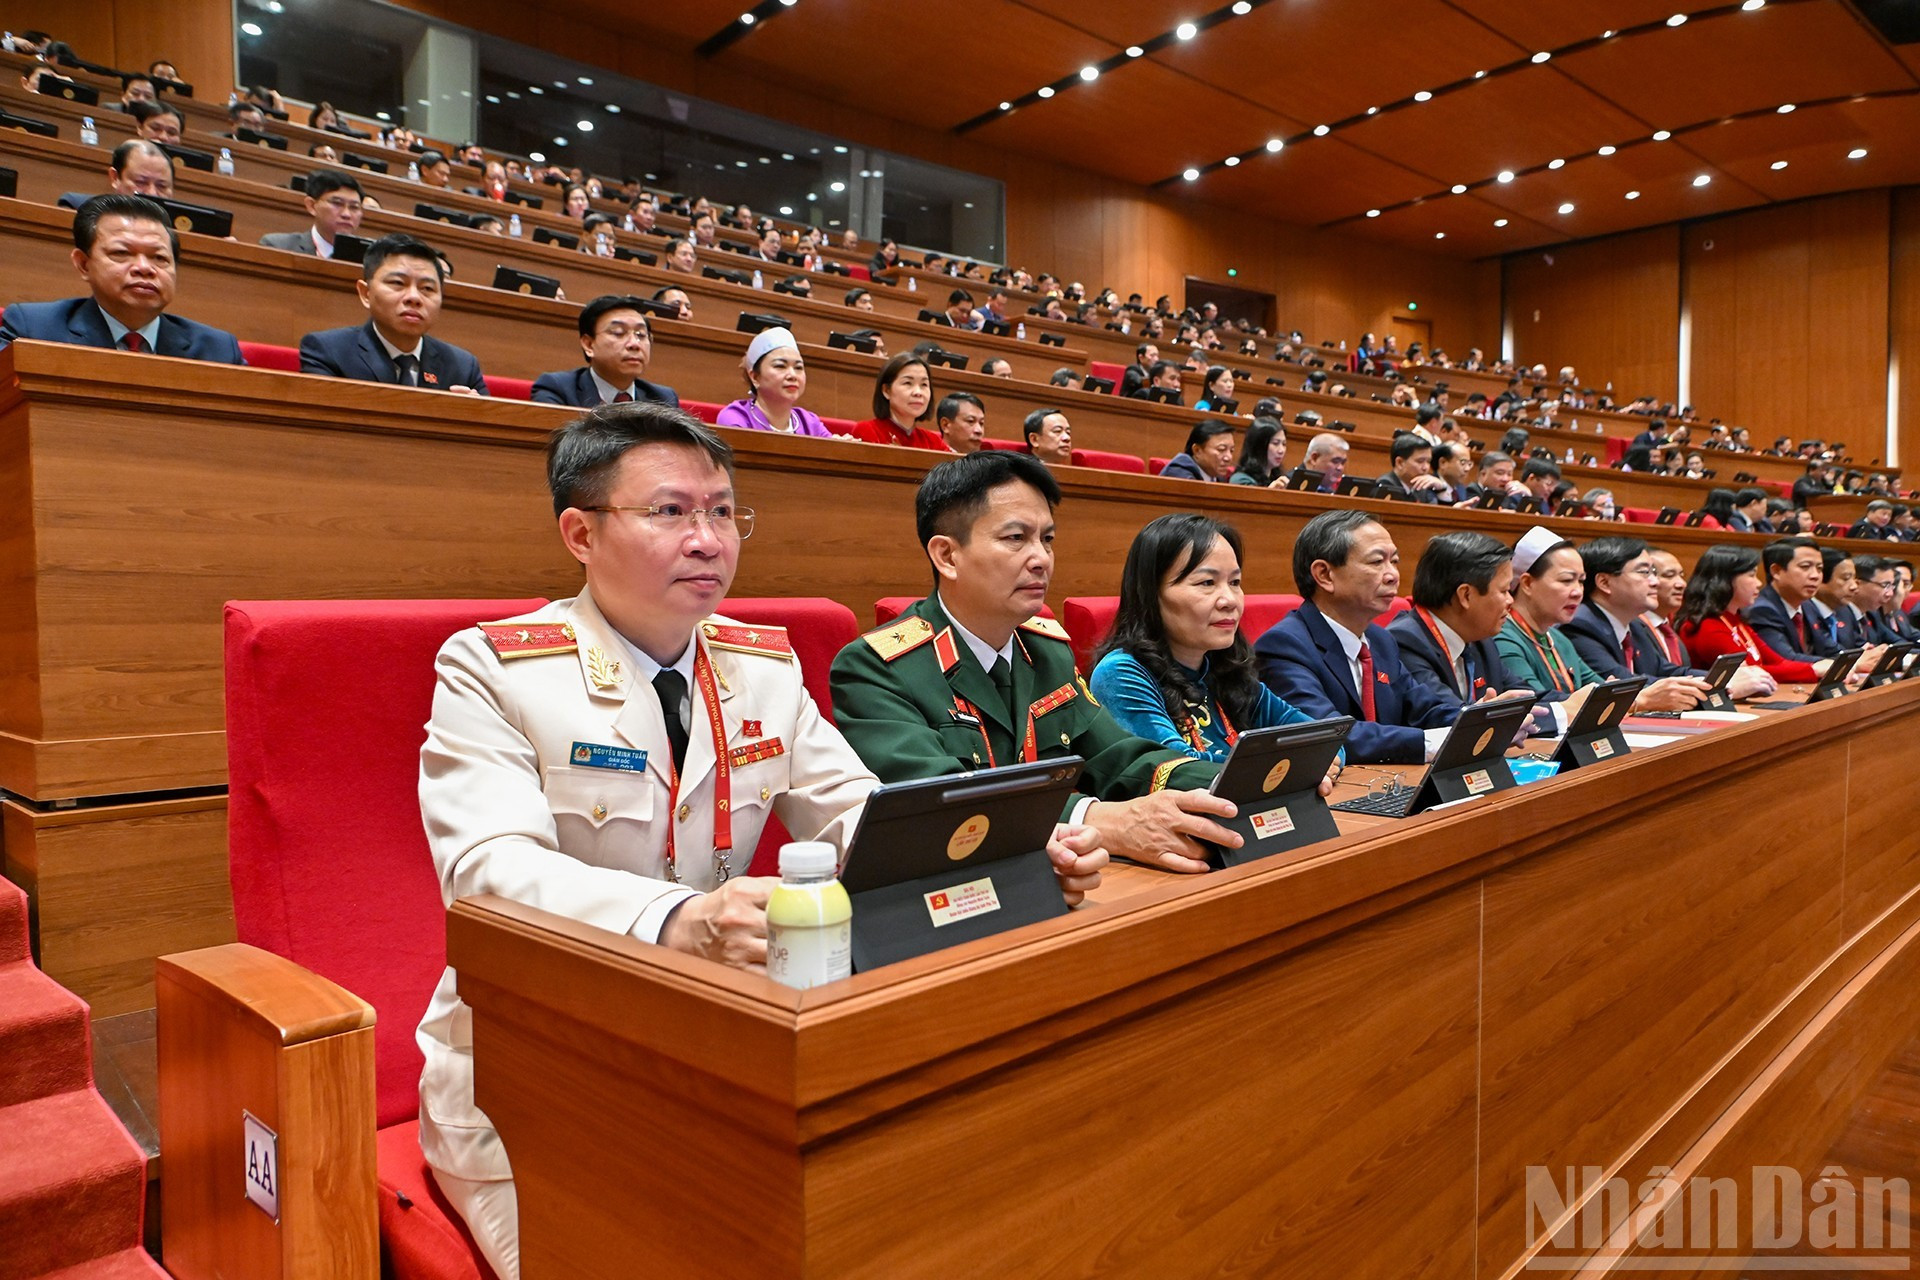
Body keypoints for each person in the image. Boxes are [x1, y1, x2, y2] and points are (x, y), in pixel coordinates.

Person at [414, 404, 1112, 1278]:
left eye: (721, 512)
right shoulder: (492, 667)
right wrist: (678, 919)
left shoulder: (763, 668)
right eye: (670, 512)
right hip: (534, 1065)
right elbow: (484, 872)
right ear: (579, 532)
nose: (708, 540)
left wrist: (997, 858)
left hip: (728, 1047)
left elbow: (860, 814)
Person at [829, 451, 1238, 873]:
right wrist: (1097, 818)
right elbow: (943, 801)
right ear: (947, 556)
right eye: (1015, 538)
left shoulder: (1046, 650)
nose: (1041, 558)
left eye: (1047, 539)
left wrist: (1230, 785)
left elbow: (1122, 758)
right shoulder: (876, 668)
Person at [1090, 514, 1321, 763]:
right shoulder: (1120, 673)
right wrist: (1291, 764)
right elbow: (1180, 768)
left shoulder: (1223, 666)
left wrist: (1307, 760)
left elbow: (1320, 740)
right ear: (1151, 594)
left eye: (1235, 582)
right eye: (1207, 582)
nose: (1230, 600)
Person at [1254, 510, 1465, 764]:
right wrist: (1430, 744)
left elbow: (1425, 708)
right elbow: (1327, 734)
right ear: (1324, 575)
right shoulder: (1284, 645)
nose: (1392, 575)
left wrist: (1481, 720)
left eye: (1394, 561)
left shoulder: (1380, 640)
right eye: (1377, 562)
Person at [1, 194, 244, 363]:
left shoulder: (219, 350)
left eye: (159, 258)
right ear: (84, 264)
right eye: (121, 253)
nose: (144, 268)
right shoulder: (32, 330)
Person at [1387, 530, 1562, 737]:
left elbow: (1526, 696)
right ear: (1466, 595)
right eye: (1504, 591)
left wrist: (1579, 702)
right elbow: (1448, 716)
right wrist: (1562, 714)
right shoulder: (1404, 641)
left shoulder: (1481, 640)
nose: (1511, 601)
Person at [1558, 536, 1754, 704]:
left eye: (1653, 572)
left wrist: (1723, 677)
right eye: (1644, 572)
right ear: (1605, 582)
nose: (1655, 581)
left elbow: (1665, 670)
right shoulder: (1580, 625)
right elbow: (1623, 681)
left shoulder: (1635, 623)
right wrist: (1723, 684)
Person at [299, 233, 486, 393]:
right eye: (398, 283)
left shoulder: (463, 367)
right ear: (366, 293)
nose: (414, 297)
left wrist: (474, 414)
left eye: (427, 288)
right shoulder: (327, 352)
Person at [1675, 545, 1831, 684]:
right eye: (1751, 575)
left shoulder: (1734, 620)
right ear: (1726, 580)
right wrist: (1814, 670)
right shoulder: (1708, 626)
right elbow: (1749, 673)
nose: (1759, 583)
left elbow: (1778, 662)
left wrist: (1818, 667)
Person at [532, 295, 679, 408]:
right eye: (618, 332)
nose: (634, 344)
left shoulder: (664, 399)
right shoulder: (558, 389)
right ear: (589, 345)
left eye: (640, 335)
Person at [716, 327, 834, 437]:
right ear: (755, 377)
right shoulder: (736, 417)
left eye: (798, 368)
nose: (792, 375)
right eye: (780, 366)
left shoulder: (809, 422)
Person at [1748, 536, 1834, 664]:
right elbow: (1786, 659)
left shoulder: (1808, 605)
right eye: (1805, 567)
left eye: (1819, 569)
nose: (1815, 576)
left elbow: (1831, 649)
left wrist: (1859, 658)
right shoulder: (1761, 610)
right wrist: (1845, 665)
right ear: (1776, 571)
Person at [847, 354, 946, 450]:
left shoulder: (934, 442)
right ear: (886, 391)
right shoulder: (867, 431)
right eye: (908, 383)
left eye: (924, 384)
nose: (918, 392)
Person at [259, 170, 364, 258]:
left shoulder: (370, 260)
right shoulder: (279, 246)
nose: (346, 214)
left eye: (354, 207)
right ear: (312, 206)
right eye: (337, 203)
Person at [57, 139, 174, 209]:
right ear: (115, 178)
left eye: (162, 186)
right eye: (141, 182)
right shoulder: (79, 207)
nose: (152, 193)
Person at [1807, 547, 1867, 650]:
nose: (1854, 587)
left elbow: (1858, 644)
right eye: (1846, 578)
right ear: (1820, 579)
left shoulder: (1845, 610)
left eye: (1854, 578)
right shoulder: (1805, 612)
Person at [1373, 433, 1448, 502]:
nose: (1426, 467)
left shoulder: (1422, 487)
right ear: (1400, 463)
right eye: (1420, 461)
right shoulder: (1385, 485)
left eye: (1428, 461)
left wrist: (1441, 489)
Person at [1159, 420, 1235, 482]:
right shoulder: (1179, 475)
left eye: (1231, 451)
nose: (1228, 457)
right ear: (1197, 450)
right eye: (1221, 449)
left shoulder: (1219, 479)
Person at [1229, 417, 1287, 487]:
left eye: (1284, 444)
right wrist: (1270, 493)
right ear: (1259, 446)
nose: (1281, 450)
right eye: (1275, 443)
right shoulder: (1241, 480)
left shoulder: (1277, 478)